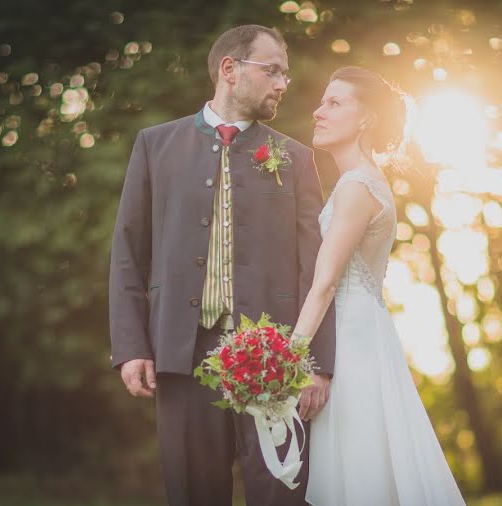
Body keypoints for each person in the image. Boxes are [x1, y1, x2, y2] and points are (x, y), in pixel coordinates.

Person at [108, 24, 336, 506]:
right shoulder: (155, 145)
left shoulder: (294, 158)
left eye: (285, 75)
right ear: (230, 70)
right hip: (181, 355)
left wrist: (317, 364)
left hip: (277, 360)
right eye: (271, 70)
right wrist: (131, 346)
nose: (281, 83)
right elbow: (129, 250)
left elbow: (318, 269)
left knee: (280, 493)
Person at [290, 66, 466, 505]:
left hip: (354, 341)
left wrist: (287, 359)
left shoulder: (357, 187)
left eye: (334, 103)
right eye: (322, 101)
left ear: (366, 119)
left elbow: (324, 283)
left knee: (361, 467)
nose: (318, 111)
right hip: (359, 331)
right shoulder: (358, 183)